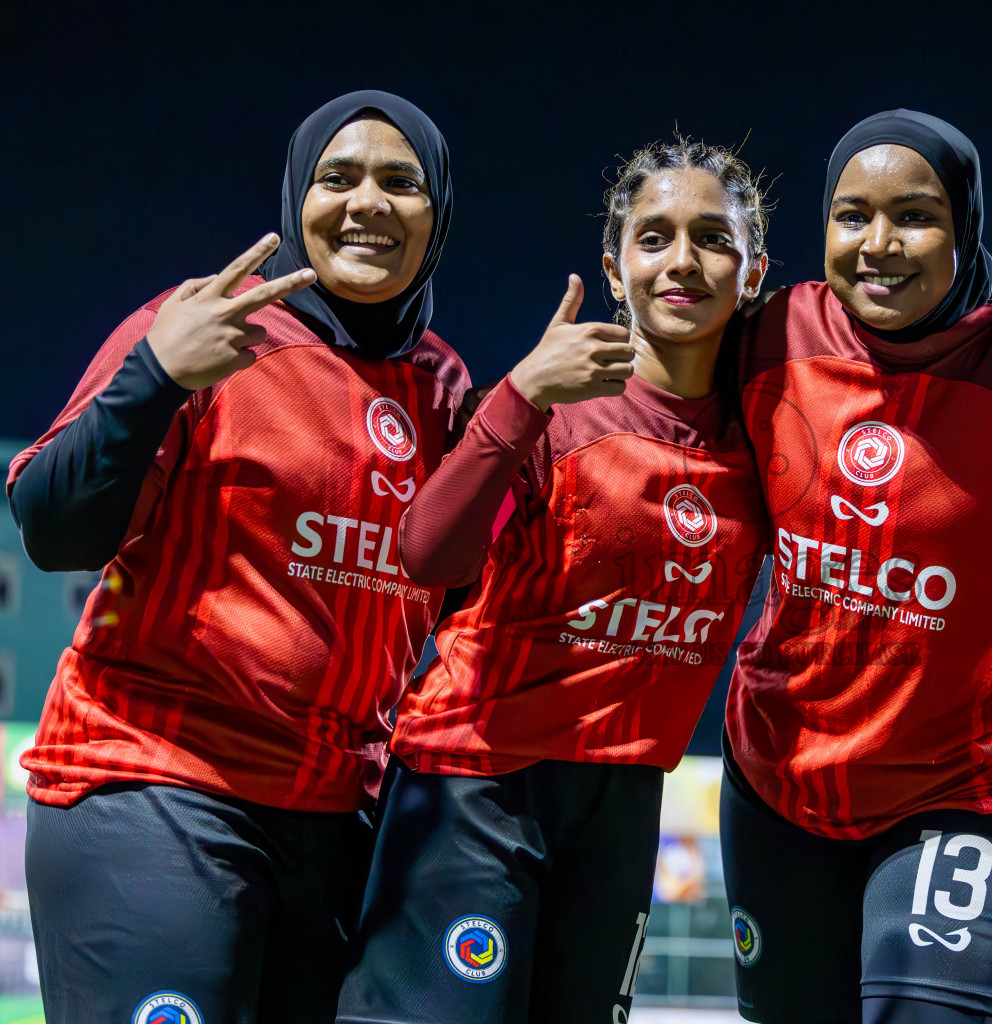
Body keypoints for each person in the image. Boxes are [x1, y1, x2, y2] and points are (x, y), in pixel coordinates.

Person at [5, 91, 468, 1023]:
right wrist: (155, 376)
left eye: (400, 182)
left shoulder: (446, 388)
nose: (367, 202)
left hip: (337, 817)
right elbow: (54, 531)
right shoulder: (204, 325)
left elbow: (463, 609)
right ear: (297, 195)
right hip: (156, 783)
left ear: (439, 214)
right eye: (337, 178)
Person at [334, 138, 771, 1024]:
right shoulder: (553, 408)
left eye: (710, 239)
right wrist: (522, 398)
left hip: (622, 797)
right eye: (652, 238)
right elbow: (425, 555)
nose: (680, 260)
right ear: (615, 268)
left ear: (753, 270)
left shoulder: (766, 438)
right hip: (477, 784)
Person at [721, 109, 992, 1024]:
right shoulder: (767, 338)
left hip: (972, 783)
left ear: (965, 230)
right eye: (850, 215)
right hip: (782, 776)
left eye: (913, 216)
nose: (879, 245)